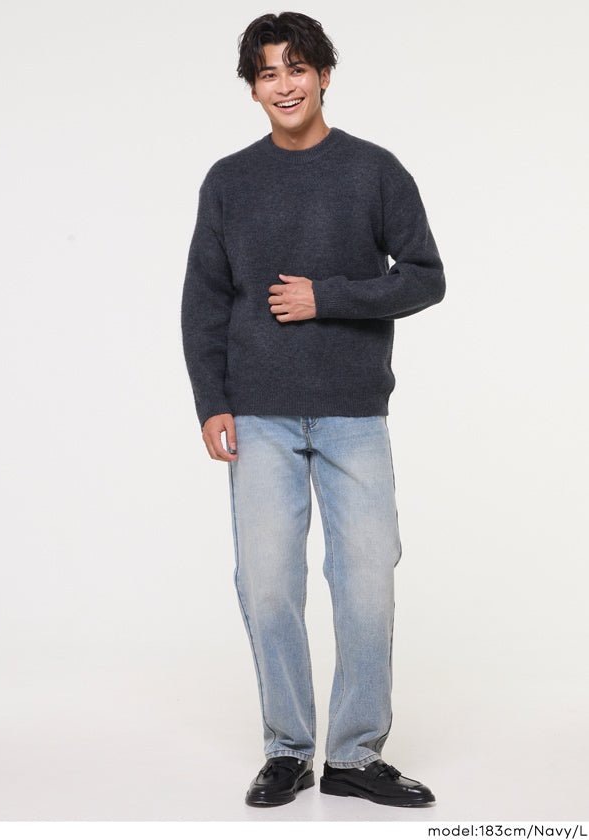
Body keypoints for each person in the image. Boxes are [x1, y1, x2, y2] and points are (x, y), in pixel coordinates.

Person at [181, 11, 445, 809]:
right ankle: (288, 750)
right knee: (266, 585)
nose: (284, 85)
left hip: (353, 413)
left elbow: (425, 276)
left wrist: (326, 298)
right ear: (253, 89)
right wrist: (212, 401)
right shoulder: (229, 181)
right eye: (268, 73)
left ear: (325, 75)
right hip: (258, 414)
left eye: (297, 68)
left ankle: (356, 755)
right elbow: (204, 300)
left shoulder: (374, 170)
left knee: (366, 584)